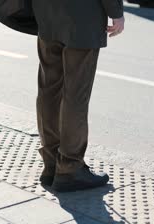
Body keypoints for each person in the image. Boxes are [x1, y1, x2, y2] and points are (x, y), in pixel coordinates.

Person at [32, 0, 125, 192]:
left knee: (49, 89)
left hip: (47, 11)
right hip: (83, 16)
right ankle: (69, 168)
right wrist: (115, 12)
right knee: (76, 95)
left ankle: (51, 163)